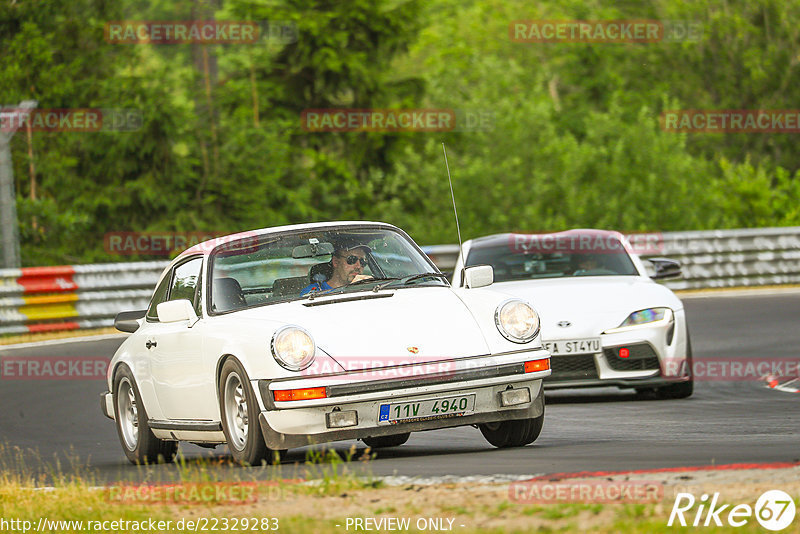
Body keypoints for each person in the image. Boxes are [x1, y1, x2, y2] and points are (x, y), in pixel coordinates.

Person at [300, 242, 372, 295]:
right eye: (352, 259)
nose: (358, 266)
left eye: (363, 261)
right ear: (336, 262)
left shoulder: (372, 289)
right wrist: (351, 289)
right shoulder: (313, 292)